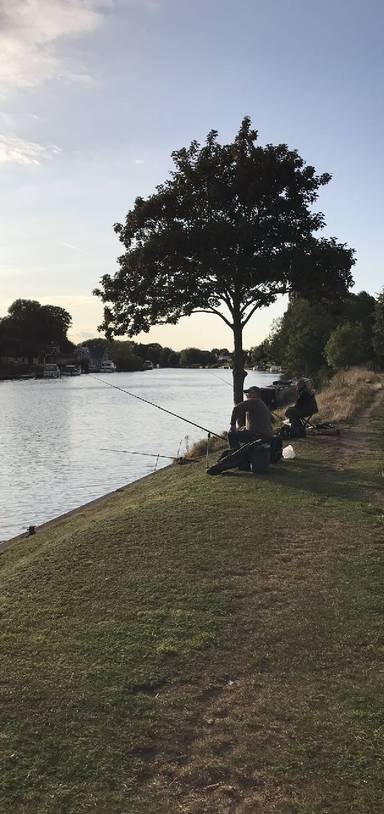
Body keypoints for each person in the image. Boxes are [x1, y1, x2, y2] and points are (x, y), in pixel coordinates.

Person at [228, 386, 274, 450]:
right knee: (243, 431)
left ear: (254, 394)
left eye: (248, 393)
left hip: (258, 436)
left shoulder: (253, 401)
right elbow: (272, 419)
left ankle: (235, 453)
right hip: (268, 435)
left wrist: (233, 425)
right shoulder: (262, 403)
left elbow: (236, 408)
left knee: (231, 434)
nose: (247, 395)